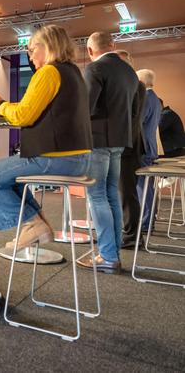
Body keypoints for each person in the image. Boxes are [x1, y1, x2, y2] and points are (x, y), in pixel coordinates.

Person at [0, 25, 92, 251]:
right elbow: (35, 109)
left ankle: (32, 224)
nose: (29, 56)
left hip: (55, 157)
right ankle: (38, 224)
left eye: (31, 49)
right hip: (80, 159)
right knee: (9, 178)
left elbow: (22, 116)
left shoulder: (48, 72)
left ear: (48, 46)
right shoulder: (73, 73)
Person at [82, 31, 139, 273]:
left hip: (98, 140)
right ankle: (112, 252)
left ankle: (107, 255)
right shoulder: (129, 72)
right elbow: (134, 109)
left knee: (96, 196)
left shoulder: (94, 69)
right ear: (113, 45)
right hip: (120, 140)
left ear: (90, 51)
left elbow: (86, 107)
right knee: (111, 196)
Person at [112, 50, 146, 249]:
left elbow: (131, 122)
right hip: (125, 146)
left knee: (127, 194)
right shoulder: (132, 86)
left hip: (128, 147)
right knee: (122, 194)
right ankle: (127, 234)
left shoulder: (136, 86)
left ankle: (133, 237)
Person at [135, 69, 162, 232]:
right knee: (147, 187)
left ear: (141, 82)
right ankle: (149, 219)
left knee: (143, 187)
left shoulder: (145, 98)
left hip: (143, 148)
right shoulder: (156, 99)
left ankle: (146, 222)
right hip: (150, 146)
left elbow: (138, 121)